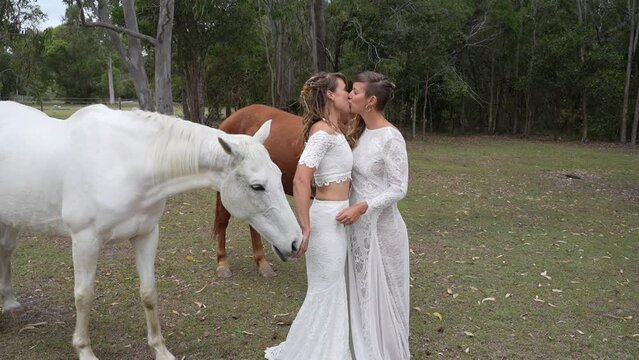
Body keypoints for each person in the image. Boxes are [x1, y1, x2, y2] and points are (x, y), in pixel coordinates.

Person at [265, 72, 353, 360]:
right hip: (326, 221)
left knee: (332, 287)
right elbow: (301, 180)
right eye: (344, 90)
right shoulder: (322, 133)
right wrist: (305, 226)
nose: (348, 95)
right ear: (330, 95)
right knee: (325, 288)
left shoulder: (335, 129)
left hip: (339, 218)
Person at [336, 71, 411, 359]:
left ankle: (385, 350)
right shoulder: (361, 132)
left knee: (384, 295)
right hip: (358, 229)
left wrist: (363, 206)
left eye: (355, 91)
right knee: (361, 290)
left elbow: (398, 188)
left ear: (371, 101)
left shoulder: (391, 138)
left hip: (383, 231)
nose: (349, 96)